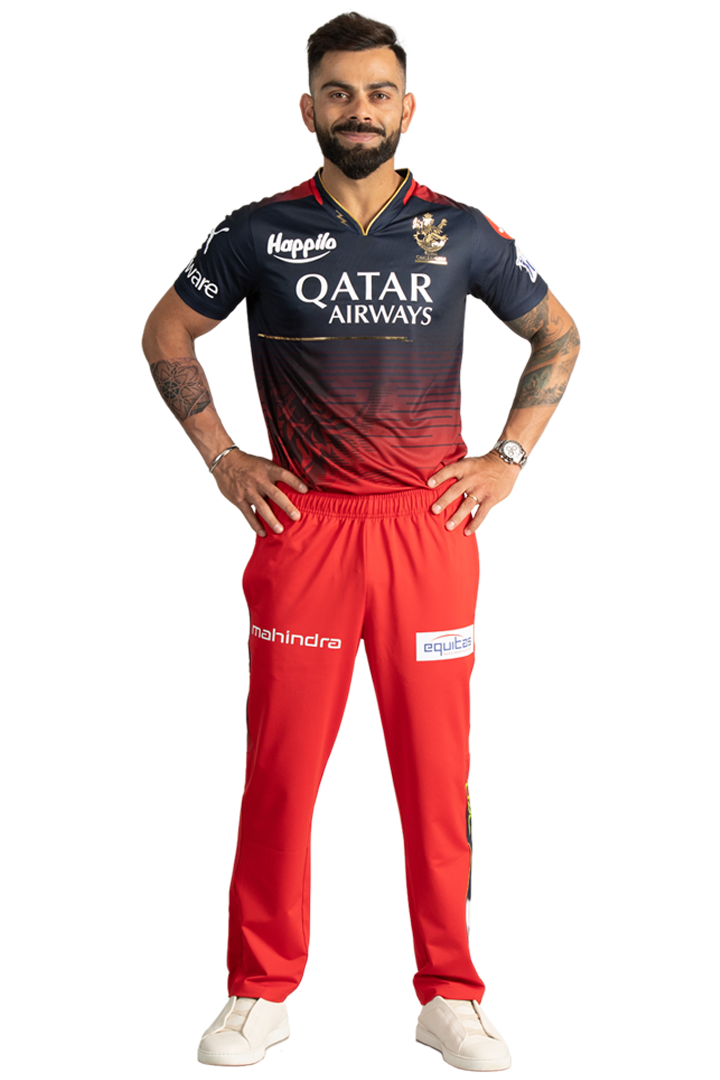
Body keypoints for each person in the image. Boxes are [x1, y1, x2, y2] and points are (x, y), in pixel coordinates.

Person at [142, 12, 579, 1072]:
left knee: (435, 774)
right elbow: (170, 331)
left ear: (406, 107)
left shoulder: (461, 232)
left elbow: (553, 334)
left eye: (378, 93)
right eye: (339, 93)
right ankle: (259, 993)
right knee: (283, 772)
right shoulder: (256, 231)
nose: (359, 111)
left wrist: (509, 456)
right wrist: (223, 455)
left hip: (428, 524)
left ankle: (449, 993)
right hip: (307, 526)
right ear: (309, 109)